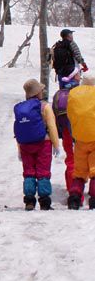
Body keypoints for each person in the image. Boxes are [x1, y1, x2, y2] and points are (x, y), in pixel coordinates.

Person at [14, 79, 60, 211]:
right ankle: (44, 202)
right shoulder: (44, 106)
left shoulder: (21, 108)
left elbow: (19, 129)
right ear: (38, 93)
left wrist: (19, 149)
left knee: (28, 172)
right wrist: (56, 144)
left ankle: (29, 201)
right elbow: (51, 126)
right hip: (43, 144)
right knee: (43, 172)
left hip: (25, 145)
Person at [66, 73, 95, 209]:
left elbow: (70, 114)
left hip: (80, 138)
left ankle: (74, 198)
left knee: (79, 172)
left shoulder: (74, 94)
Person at [53, 68, 81, 196]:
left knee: (70, 159)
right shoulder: (79, 92)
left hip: (65, 132)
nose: (80, 77)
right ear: (74, 77)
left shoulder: (59, 94)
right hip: (80, 131)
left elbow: (54, 115)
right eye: (78, 75)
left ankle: (71, 189)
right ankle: (80, 191)